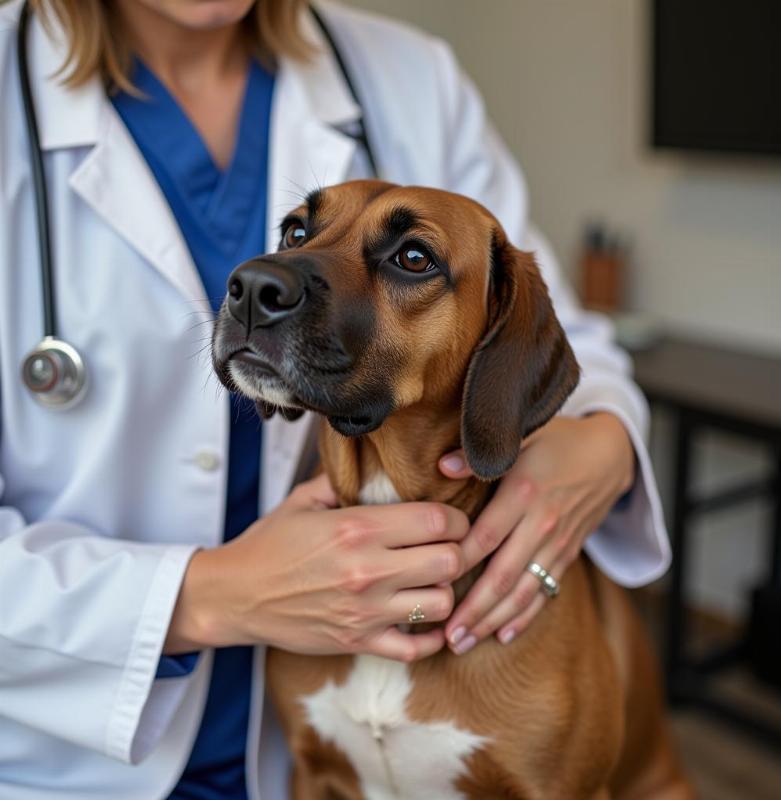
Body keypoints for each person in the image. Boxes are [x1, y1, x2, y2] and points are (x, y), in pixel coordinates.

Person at [0, 0, 671, 797]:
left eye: (410, 257)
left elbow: (550, 330)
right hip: (65, 753)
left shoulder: (409, 75)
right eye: (295, 236)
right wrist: (205, 597)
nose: (264, 281)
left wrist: (601, 440)